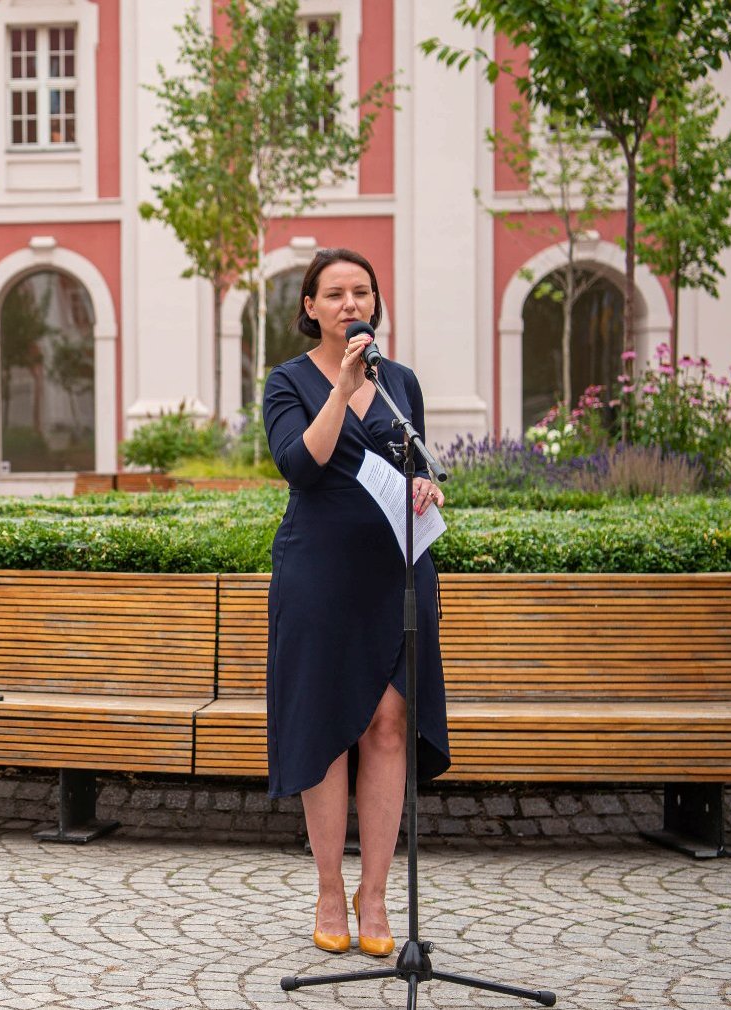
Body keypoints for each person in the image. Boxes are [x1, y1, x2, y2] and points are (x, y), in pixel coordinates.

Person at [261, 248, 450, 958]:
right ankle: (329, 891)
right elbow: (300, 465)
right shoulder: (289, 381)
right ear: (309, 306)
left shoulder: (400, 383)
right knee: (327, 731)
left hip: (394, 575)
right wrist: (340, 388)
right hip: (318, 576)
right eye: (334, 293)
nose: (349, 304)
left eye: (361, 292)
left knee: (388, 728)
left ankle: (375, 896)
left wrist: (428, 488)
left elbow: (415, 464)